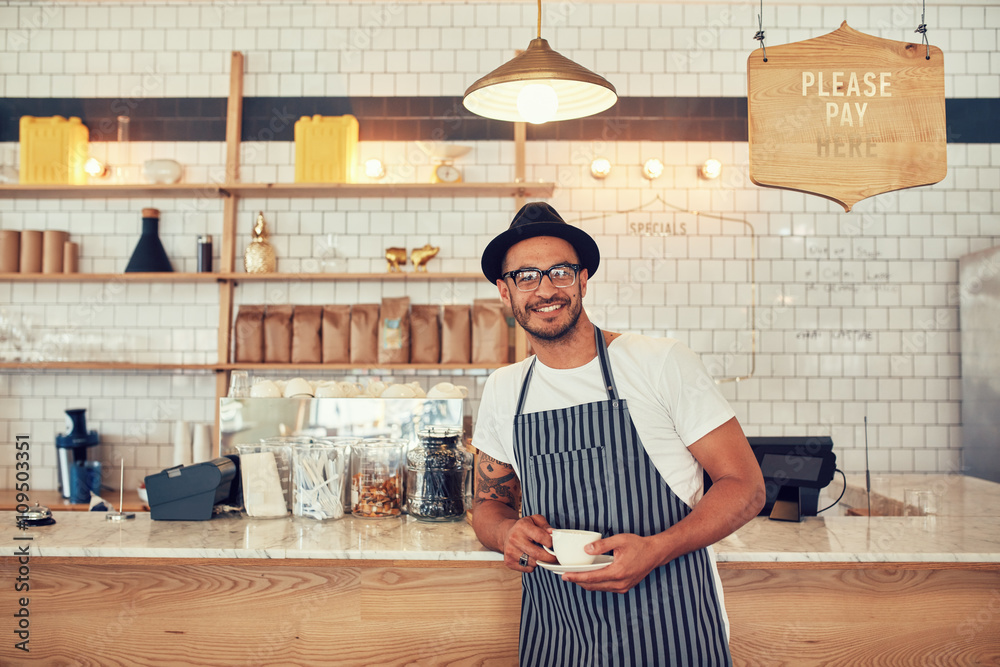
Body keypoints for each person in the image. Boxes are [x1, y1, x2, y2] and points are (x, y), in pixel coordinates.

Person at [471, 202, 766, 666]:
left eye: (560, 272)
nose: (545, 289)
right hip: (558, 633)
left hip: (672, 626)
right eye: (526, 276)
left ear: (583, 280)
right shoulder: (505, 389)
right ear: (504, 292)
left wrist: (655, 549)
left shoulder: (659, 362)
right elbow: (488, 506)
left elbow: (746, 488)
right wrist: (507, 532)